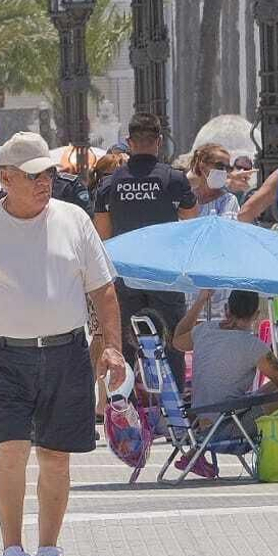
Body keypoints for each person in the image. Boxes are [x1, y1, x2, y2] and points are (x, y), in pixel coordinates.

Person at [0, 132, 126, 556]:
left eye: (48, 174)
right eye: (33, 176)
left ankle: (48, 551)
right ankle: (12, 553)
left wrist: (112, 345)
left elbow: (102, 289)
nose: (44, 183)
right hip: (3, 357)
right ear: (6, 178)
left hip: (65, 353)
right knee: (12, 452)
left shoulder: (75, 220)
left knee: (57, 457)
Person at [92, 112, 199, 386]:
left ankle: (125, 407)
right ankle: (172, 406)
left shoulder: (109, 184)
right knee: (172, 338)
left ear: (129, 142)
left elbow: (102, 236)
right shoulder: (174, 179)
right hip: (164, 273)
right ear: (159, 141)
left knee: (126, 346)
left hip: (125, 274)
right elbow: (191, 221)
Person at [172, 289, 278, 435]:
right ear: (256, 315)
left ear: (226, 308)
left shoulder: (204, 330)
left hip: (202, 420)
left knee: (273, 385)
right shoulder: (253, 345)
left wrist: (201, 300)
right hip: (228, 425)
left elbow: (177, 340)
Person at [188, 143, 240, 219]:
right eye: (220, 166)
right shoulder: (187, 197)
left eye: (228, 168)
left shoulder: (228, 200)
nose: (224, 171)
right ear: (202, 166)